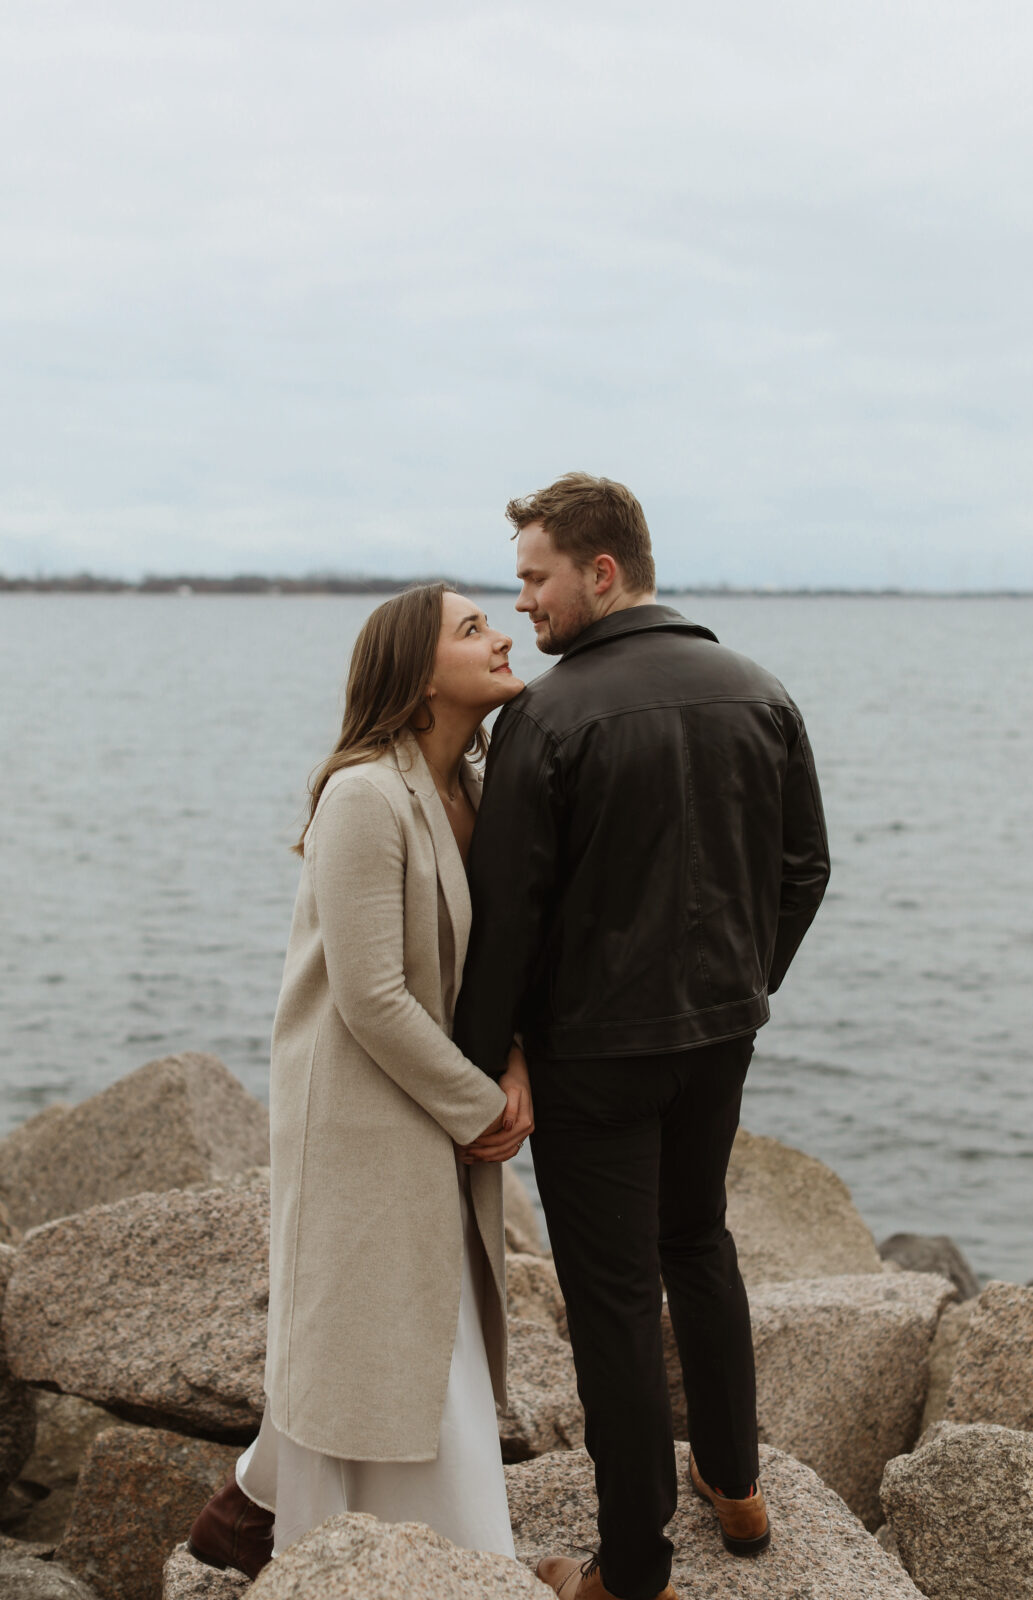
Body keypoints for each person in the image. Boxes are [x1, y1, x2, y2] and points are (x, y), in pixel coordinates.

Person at [453, 474, 831, 1600]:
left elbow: (509, 916)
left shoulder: (550, 716)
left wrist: (479, 1073)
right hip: (718, 1035)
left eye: (535, 578)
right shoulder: (758, 690)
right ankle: (737, 1488)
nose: (523, 603)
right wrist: (739, 984)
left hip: (593, 1055)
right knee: (698, 1241)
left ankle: (633, 1573)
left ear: (599, 572)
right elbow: (803, 870)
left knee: (613, 1295)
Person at [187, 583, 534, 1579]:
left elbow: (497, 962)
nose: (501, 631)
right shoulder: (363, 794)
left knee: (408, 1329)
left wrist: (514, 1064)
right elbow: (371, 993)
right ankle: (457, 1559)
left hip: (429, 1099)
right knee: (386, 1336)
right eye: (472, 628)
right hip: (358, 1110)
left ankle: (252, 1511)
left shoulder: (473, 786)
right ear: (416, 675)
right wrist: (480, 1109)